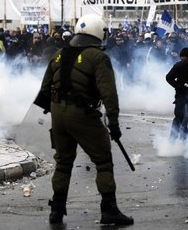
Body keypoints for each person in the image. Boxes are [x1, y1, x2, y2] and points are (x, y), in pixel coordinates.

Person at [35, 14, 133, 225]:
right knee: (103, 160)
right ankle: (109, 211)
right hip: (82, 114)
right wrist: (114, 123)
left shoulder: (60, 54)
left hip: (57, 113)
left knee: (63, 163)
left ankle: (57, 211)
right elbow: (109, 93)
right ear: (98, 32)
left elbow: (44, 88)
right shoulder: (98, 57)